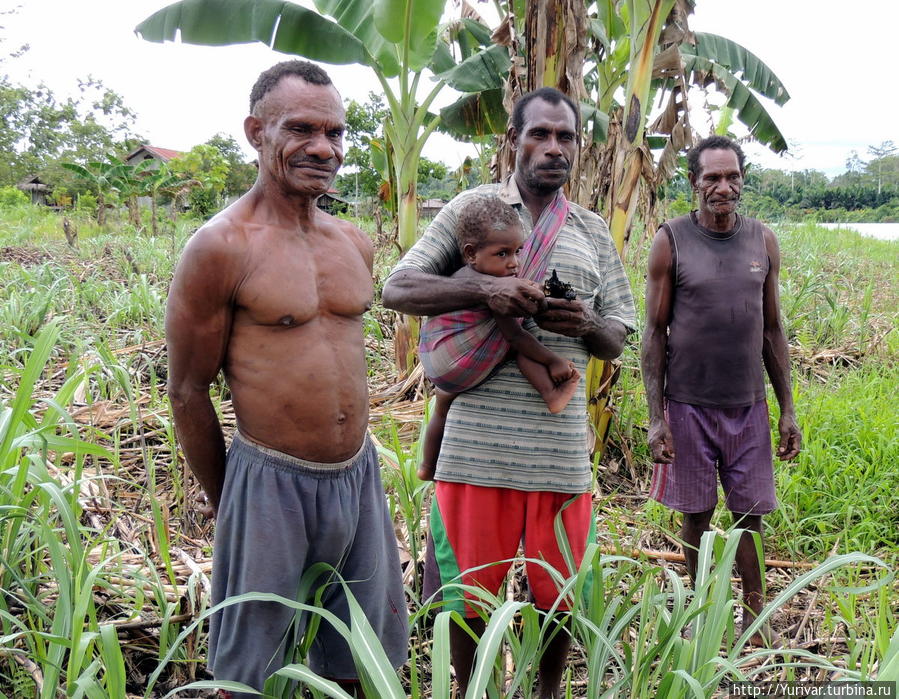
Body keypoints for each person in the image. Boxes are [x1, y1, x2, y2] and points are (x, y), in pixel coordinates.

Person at [382, 87, 636, 698]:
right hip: (476, 449)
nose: (553, 147)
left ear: (578, 146)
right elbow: (398, 288)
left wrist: (587, 326)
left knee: (559, 592)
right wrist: (483, 293)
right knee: (468, 593)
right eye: (539, 134)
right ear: (513, 141)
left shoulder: (591, 230)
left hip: (559, 452)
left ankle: (548, 690)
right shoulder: (471, 210)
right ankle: (474, 689)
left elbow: (618, 334)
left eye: (565, 137)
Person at [165, 60, 408, 698]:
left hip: (357, 474)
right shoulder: (222, 246)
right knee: (250, 672)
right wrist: (230, 503)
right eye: (301, 129)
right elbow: (188, 391)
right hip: (268, 480)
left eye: (335, 132)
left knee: (362, 657)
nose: (323, 148)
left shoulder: (353, 241)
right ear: (255, 132)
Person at [640, 135, 802, 647]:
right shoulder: (672, 240)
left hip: (749, 406)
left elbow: (773, 330)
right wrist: (656, 416)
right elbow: (653, 331)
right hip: (688, 406)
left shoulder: (762, 241)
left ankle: (757, 621)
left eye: (732, 177)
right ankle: (701, 610)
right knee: (697, 516)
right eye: (712, 177)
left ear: (742, 180)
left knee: (750, 516)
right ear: (694, 183)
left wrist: (787, 410)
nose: (723, 187)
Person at [417, 194, 580, 481]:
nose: (514, 263)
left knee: (441, 406)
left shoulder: (460, 276)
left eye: (517, 251)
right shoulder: (495, 289)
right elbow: (516, 337)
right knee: (514, 346)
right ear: (470, 253)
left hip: (439, 365)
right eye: (502, 254)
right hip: (460, 360)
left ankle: (426, 468)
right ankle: (551, 394)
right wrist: (553, 360)